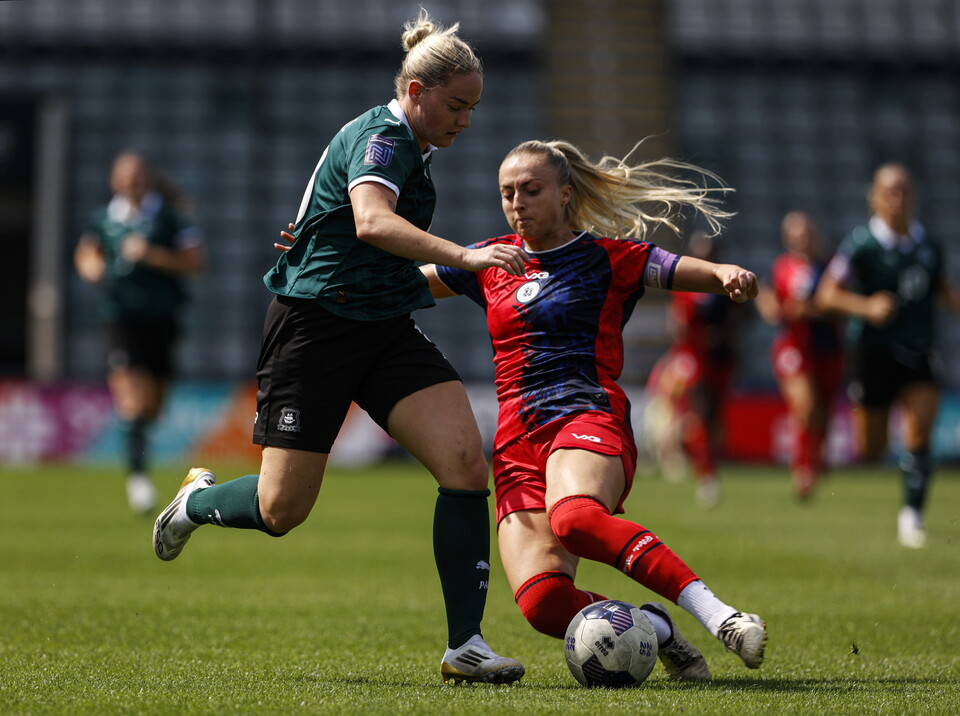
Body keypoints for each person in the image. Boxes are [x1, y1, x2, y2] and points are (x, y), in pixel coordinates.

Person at [152, 10, 526, 685]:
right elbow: (372, 221)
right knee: (280, 511)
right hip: (315, 329)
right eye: (456, 105)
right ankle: (195, 504)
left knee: (467, 465)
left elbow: (349, 227)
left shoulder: (411, 146)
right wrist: (469, 258)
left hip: (382, 329)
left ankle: (465, 645)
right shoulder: (384, 137)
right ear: (416, 93)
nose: (465, 120)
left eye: (473, 107)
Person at [419, 139, 768, 679]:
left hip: (584, 414)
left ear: (565, 193)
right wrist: (332, 273)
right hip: (516, 443)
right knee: (542, 604)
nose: (517, 203)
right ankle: (656, 628)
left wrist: (725, 276)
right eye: (507, 193)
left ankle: (721, 617)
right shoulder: (489, 260)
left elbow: (675, 268)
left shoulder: (606, 258)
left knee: (576, 518)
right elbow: (405, 287)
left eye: (531, 191)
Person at [815, 162, 960, 548]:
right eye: (890, 191)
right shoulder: (861, 244)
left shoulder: (929, 245)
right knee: (872, 448)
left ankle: (912, 515)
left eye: (904, 191)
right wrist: (866, 307)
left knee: (919, 429)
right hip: (872, 354)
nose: (897, 199)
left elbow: (943, 290)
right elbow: (826, 295)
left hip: (918, 350)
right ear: (875, 197)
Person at [75, 150, 205, 514]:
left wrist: (151, 255)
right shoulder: (104, 218)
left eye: (137, 174)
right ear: (114, 180)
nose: (132, 181)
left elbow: (196, 262)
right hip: (122, 319)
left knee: (153, 406)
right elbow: (86, 253)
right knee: (132, 399)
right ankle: (138, 481)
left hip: (162, 319)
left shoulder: (169, 218)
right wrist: (93, 269)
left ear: (147, 178)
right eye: (125, 175)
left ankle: (137, 443)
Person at [645, 231, 744, 508]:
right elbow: (678, 325)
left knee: (713, 417)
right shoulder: (687, 288)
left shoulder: (727, 281)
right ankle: (704, 474)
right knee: (699, 413)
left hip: (721, 358)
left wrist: (726, 333)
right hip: (695, 357)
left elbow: (742, 315)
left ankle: (706, 466)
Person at [755, 211, 843, 499]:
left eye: (805, 231)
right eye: (795, 233)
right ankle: (803, 469)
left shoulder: (830, 266)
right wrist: (770, 308)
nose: (801, 237)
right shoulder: (782, 267)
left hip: (827, 344)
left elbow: (841, 305)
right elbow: (767, 297)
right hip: (794, 345)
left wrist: (813, 310)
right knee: (804, 406)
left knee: (822, 411)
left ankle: (817, 459)